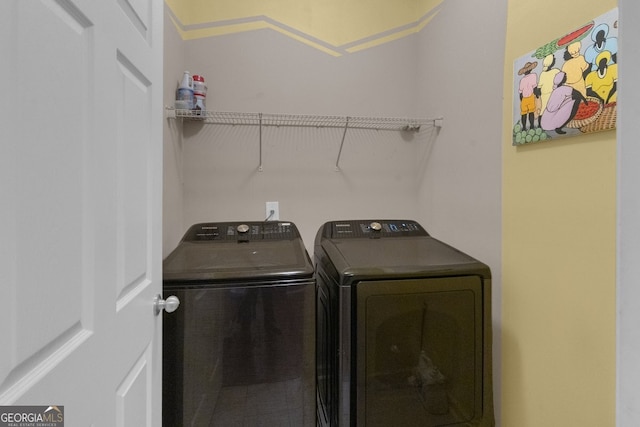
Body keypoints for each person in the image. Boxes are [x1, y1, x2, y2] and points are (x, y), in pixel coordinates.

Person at [518, 61, 538, 131]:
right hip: (530, 97)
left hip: (524, 98)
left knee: (524, 113)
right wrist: (537, 95)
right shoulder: (534, 76)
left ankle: (524, 127)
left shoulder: (522, 80)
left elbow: (520, 92)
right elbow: (535, 87)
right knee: (531, 112)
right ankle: (531, 126)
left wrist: (521, 100)